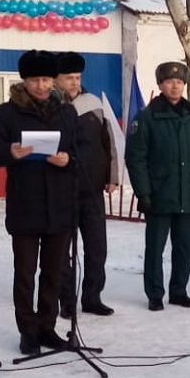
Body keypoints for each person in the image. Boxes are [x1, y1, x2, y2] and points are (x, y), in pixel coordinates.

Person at [0, 50, 77, 355]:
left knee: (53, 272)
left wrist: (67, 159)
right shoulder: (8, 113)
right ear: (25, 80)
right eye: (35, 79)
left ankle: (47, 327)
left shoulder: (65, 112)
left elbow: (81, 152)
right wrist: (11, 151)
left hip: (59, 205)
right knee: (25, 273)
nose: (41, 85)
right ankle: (28, 331)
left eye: (46, 79)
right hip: (25, 204)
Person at [125, 61, 190, 311]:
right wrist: (143, 192)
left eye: (179, 82)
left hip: (188, 193)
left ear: (184, 85)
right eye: (169, 82)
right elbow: (136, 158)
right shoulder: (146, 117)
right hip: (159, 194)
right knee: (155, 247)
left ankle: (179, 290)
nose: (175, 86)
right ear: (160, 85)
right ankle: (155, 293)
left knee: (184, 247)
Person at [54, 51, 119, 318]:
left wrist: (113, 175)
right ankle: (66, 301)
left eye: (77, 77)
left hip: (92, 189)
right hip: (61, 190)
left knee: (97, 248)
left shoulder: (93, 102)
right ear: (56, 79)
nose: (74, 82)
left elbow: (110, 141)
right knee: (61, 252)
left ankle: (93, 297)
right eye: (68, 77)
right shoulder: (50, 106)